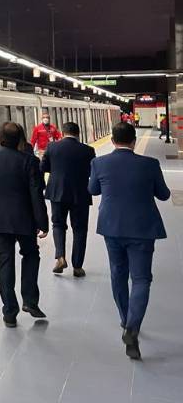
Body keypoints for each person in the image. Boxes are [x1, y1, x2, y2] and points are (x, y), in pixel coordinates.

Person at [89, 122, 170, 360]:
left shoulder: (99, 163)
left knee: (118, 273)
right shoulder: (150, 164)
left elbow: (93, 190)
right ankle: (133, 328)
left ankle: (125, 319)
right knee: (141, 279)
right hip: (142, 229)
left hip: (112, 227)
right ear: (134, 141)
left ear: (112, 141)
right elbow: (164, 195)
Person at [0, 122, 49, 328]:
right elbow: (36, 194)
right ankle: (30, 300)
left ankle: (9, 311)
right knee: (31, 255)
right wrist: (42, 222)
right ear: (20, 139)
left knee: (5, 261)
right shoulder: (29, 161)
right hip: (24, 219)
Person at [41, 121, 95, 277]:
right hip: (80, 194)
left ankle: (60, 257)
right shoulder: (88, 150)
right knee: (80, 229)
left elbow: (43, 167)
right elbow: (92, 172)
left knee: (58, 225)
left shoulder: (52, 147)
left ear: (63, 133)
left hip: (57, 192)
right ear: (78, 134)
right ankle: (77, 267)